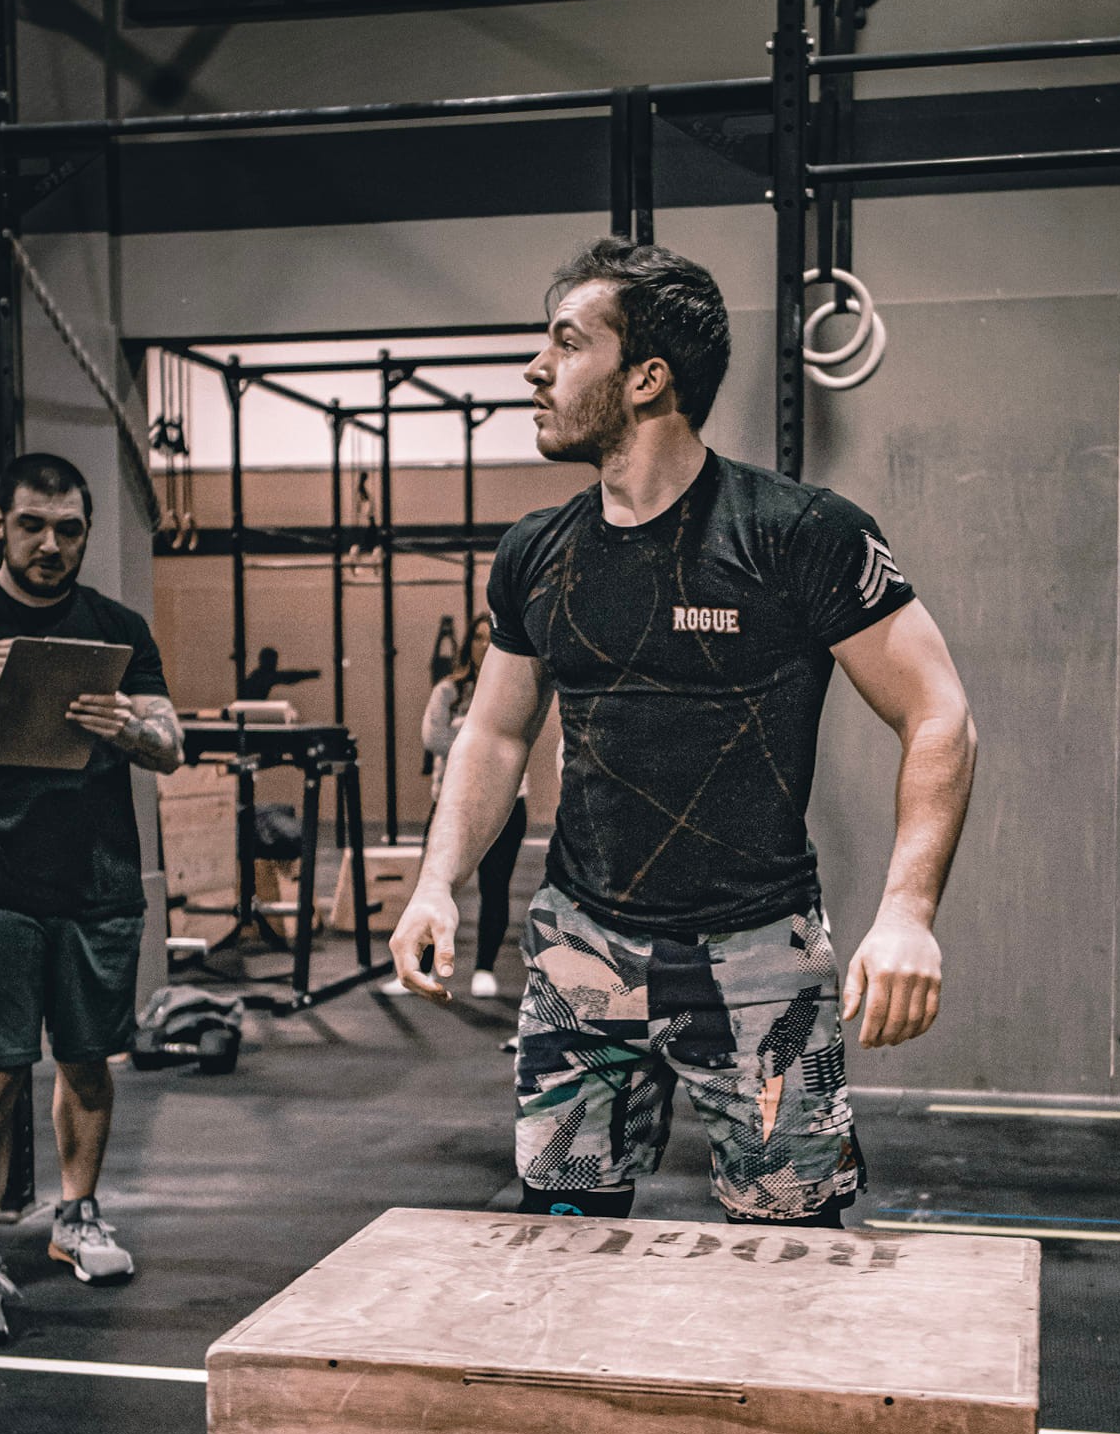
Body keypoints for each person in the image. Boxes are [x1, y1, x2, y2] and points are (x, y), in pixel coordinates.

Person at [390, 239, 975, 1229]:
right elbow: (492, 734)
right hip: (579, 947)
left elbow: (938, 713)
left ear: (646, 377)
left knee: (791, 1249)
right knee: (563, 1233)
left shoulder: (797, 533)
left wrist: (907, 912)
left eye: (565, 343)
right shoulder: (536, 552)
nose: (535, 368)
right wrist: (435, 881)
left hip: (758, 956)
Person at [0, 452, 184, 1346]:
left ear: (85, 532)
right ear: (1, 524)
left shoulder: (116, 628)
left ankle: (77, 1216)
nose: (50, 545)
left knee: (90, 1062)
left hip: (98, 879)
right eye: (32, 525)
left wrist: (130, 728)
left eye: (68, 529)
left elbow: (170, 744)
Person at [420, 611, 527, 1000]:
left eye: (492, 638)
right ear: (469, 645)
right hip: (450, 807)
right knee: (432, 886)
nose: (486, 645)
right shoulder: (448, 691)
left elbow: (519, 741)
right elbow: (433, 738)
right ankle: (421, 968)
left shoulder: (513, 691)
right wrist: (484, 746)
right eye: (479, 638)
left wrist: (476, 742)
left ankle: (484, 968)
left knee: (494, 888)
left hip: (505, 807)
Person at [238, 645, 320, 702]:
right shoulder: (264, 676)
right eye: (274, 660)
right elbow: (288, 677)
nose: (276, 663)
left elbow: (287, 676)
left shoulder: (257, 675)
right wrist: (309, 675)